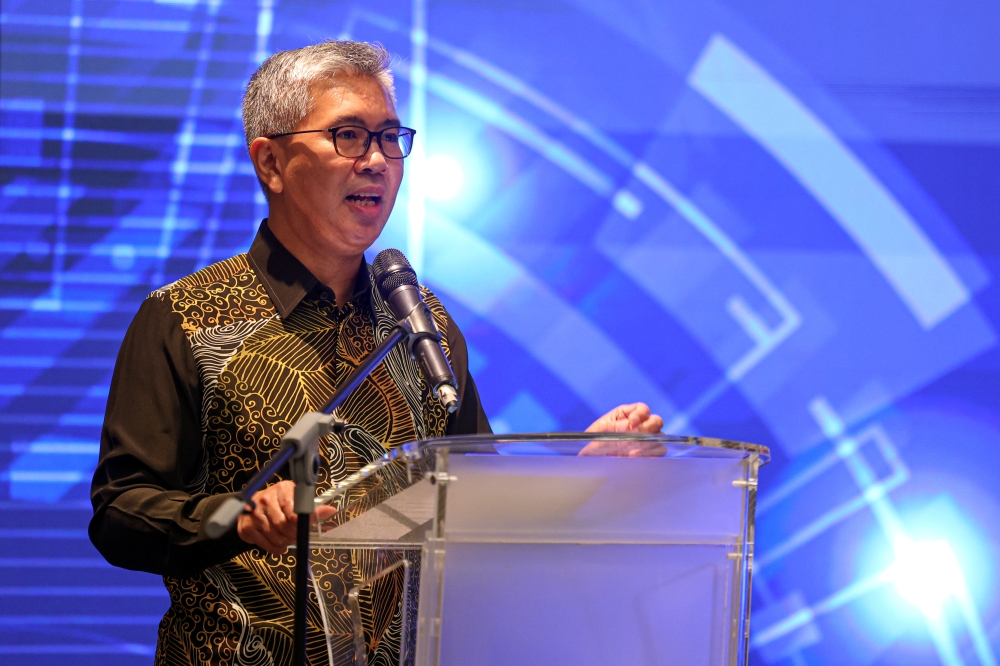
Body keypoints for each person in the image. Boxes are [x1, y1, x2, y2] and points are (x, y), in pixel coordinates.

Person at [89, 40, 663, 665]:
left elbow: (477, 506)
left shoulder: (424, 324)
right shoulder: (184, 317)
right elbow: (121, 512)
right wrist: (239, 518)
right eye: (349, 135)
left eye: (390, 138)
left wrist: (581, 471)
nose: (377, 161)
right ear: (270, 163)